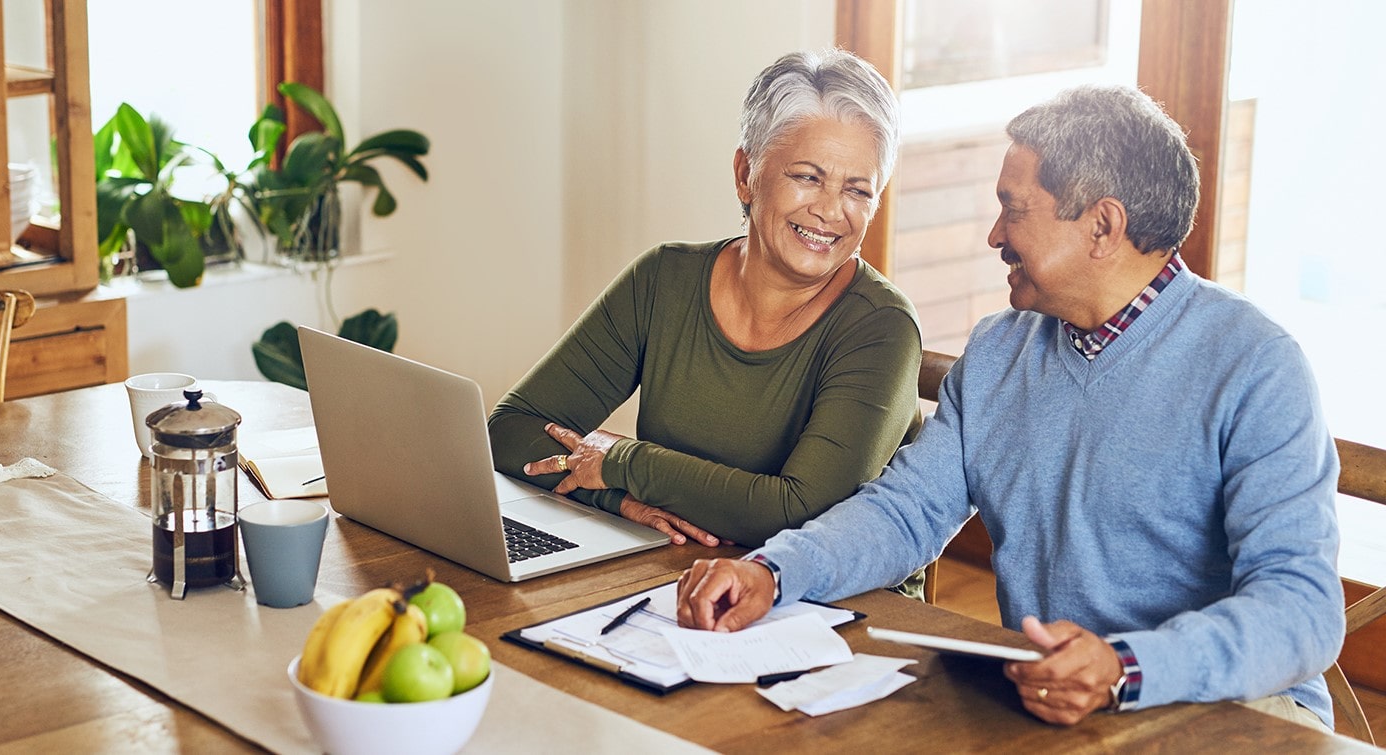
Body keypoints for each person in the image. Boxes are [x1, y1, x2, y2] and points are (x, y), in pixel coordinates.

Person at [675, 84, 1345, 730]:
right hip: (1054, 707)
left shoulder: (1256, 365)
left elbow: (1303, 612)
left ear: (1103, 225)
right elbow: (904, 512)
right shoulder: (999, 350)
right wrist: (773, 569)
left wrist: (1123, 668)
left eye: (1013, 208)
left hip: (1235, 714)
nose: (994, 233)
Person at [487, 50, 924, 588]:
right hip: (674, 576)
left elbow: (802, 513)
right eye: (808, 177)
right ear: (746, 174)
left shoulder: (882, 328)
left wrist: (625, 462)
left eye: (858, 189)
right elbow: (510, 431)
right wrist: (616, 497)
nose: (832, 211)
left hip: (831, 608)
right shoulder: (663, 279)